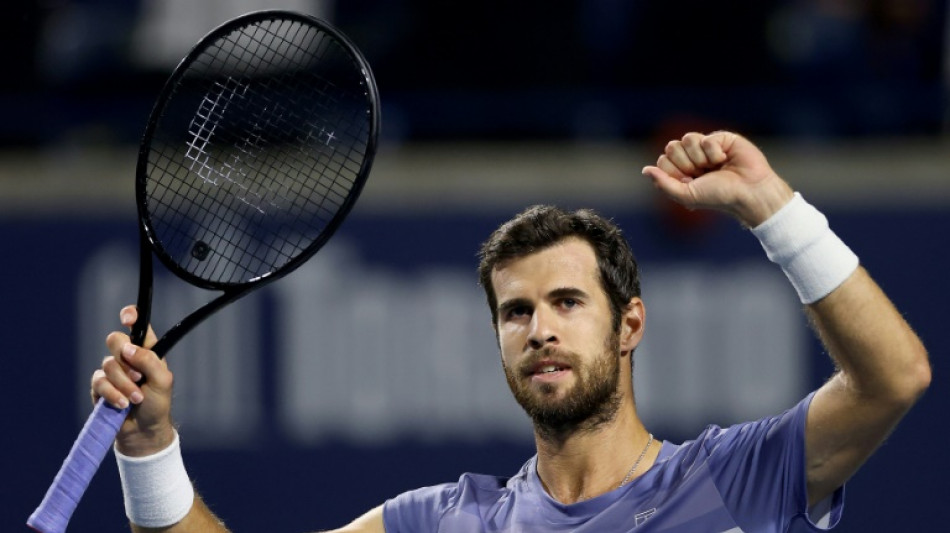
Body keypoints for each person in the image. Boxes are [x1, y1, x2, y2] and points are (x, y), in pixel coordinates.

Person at [92, 131, 930, 532]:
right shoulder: (448, 520)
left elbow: (895, 377)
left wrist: (770, 207)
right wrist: (150, 443)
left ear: (629, 322)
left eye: (568, 302)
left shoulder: (736, 478)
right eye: (516, 311)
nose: (540, 329)